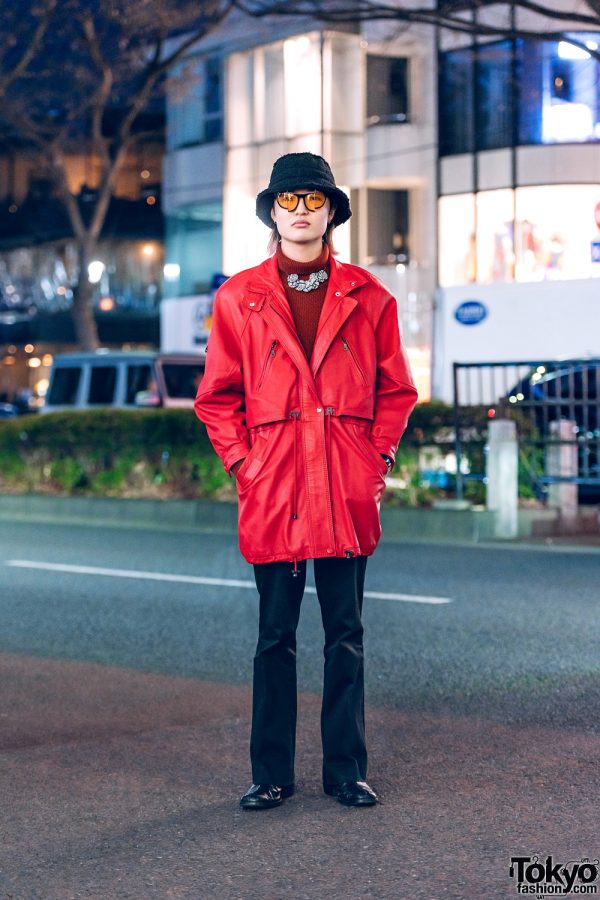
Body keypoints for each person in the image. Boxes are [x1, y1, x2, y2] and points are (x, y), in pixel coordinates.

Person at [195, 152, 418, 810]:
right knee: (274, 638)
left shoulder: (370, 298)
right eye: (287, 202)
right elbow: (216, 398)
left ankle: (345, 771)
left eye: (311, 201)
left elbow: (397, 392)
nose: (299, 213)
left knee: (345, 636)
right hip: (276, 491)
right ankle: (270, 775)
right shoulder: (239, 297)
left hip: (345, 491)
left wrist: (373, 461)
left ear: (330, 212)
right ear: (273, 212)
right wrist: (247, 464)